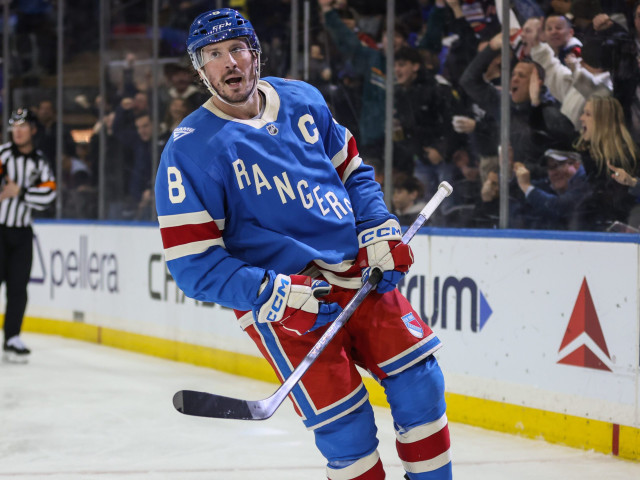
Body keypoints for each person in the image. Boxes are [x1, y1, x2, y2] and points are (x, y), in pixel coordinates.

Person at [155, 9, 452, 480]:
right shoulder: (189, 150)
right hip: (285, 300)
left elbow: (352, 172)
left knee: (421, 384)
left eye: (237, 48)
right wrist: (268, 291)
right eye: (213, 54)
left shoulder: (302, 99)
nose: (229, 62)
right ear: (200, 69)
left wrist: (377, 226)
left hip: (358, 272)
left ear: (256, 54)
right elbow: (193, 265)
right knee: (345, 430)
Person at [0, 108, 56, 362]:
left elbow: (49, 193)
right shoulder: (2, 156)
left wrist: (20, 192)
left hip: (22, 233)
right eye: (14, 126)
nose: (18, 131)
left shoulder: (39, 161)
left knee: (18, 288)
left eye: (23, 126)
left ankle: (12, 338)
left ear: (33, 130)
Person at [573, 94, 640, 230]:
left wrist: (632, 182)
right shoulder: (587, 156)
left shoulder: (625, 159)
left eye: (588, 114)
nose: (581, 118)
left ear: (603, 121)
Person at [513, 149, 591, 230]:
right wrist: (512, 172)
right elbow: (518, 191)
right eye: (550, 168)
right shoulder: (548, 184)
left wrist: (525, 186)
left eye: (559, 165)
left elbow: (559, 207)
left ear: (576, 165)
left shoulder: (585, 185)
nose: (554, 173)